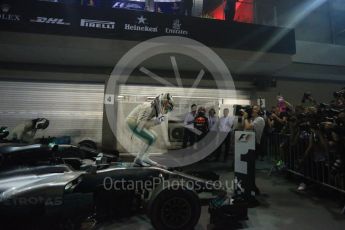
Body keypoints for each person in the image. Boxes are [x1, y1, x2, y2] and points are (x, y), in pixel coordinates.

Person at [126, 93, 174, 168]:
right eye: (166, 107)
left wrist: (155, 121)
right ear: (162, 102)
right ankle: (139, 159)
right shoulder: (149, 107)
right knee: (151, 138)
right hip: (132, 122)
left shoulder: (154, 108)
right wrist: (155, 122)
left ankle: (144, 157)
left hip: (136, 122)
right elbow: (140, 124)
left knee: (154, 136)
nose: (165, 109)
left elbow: (145, 122)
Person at [243, 105, 265, 194]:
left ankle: (253, 187)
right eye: (252, 108)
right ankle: (250, 185)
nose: (253, 110)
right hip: (247, 144)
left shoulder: (260, 119)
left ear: (259, 111)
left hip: (254, 145)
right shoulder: (251, 120)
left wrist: (245, 118)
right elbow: (243, 128)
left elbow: (248, 128)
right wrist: (244, 118)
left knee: (250, 168)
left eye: (255, 109)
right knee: (247, 168)